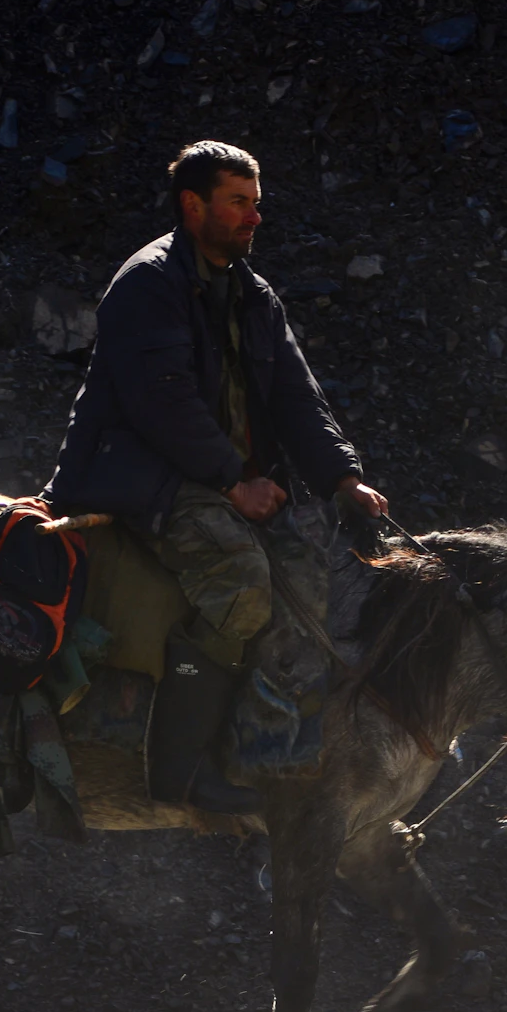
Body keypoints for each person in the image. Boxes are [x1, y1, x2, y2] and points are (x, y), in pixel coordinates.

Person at [43, 141, 388, 814]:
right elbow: (160, 399)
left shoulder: (253, 295)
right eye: (239, 202)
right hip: (139, 476)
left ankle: (268, 757)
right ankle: (179, 771)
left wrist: (343, 478)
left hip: (214, 479)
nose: (255, 218)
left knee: (308, 573)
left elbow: (297, 397)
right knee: (240, 582)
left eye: (257, 204)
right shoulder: (148, 283)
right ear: (192, 205)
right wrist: (235, 481)